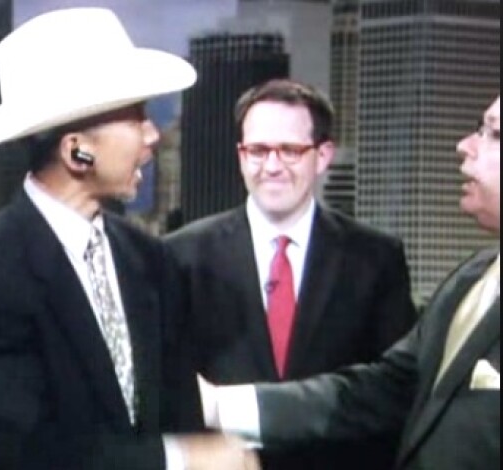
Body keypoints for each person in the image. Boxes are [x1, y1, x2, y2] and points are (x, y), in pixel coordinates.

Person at [0, 8, 259, 470]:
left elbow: (177, 407)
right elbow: (22, 450)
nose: (153, 136)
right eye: (136, 117)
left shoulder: (150, 260)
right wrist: (179, 460)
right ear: (77, 151)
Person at [207, 95, 501, 470]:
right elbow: (386, 390)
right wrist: (218, 406)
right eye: (259, 150)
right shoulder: (471, 278)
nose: (465, 146)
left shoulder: (375, 257)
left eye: (494, 134)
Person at [165, 79, 416, 470]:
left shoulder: (375, 258)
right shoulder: (181, 255)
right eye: (258, 150)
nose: (272, 166)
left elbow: (391, 394)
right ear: (240, 155)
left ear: (324, 155)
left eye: (290, 151)